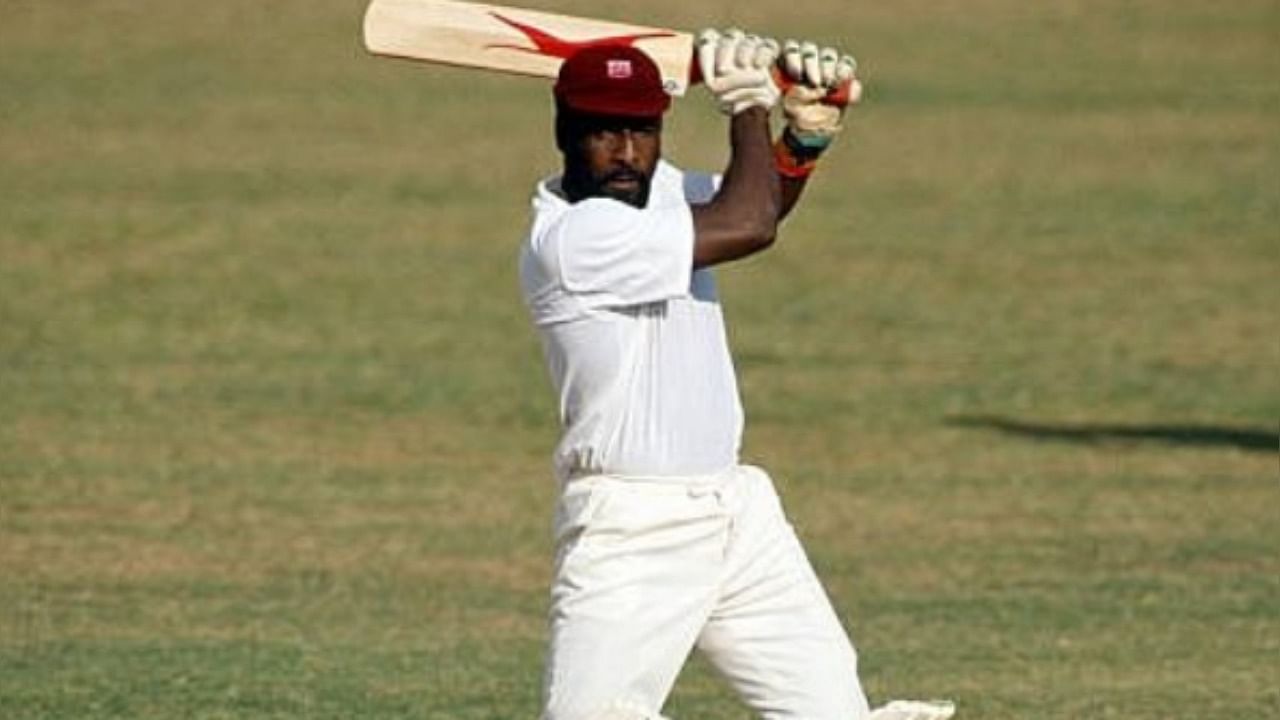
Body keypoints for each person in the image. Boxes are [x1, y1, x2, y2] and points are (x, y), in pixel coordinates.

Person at [518, 29, 953, 720]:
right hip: (633, 529)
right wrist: (749, 104)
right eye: (604, 134)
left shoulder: (654, 193)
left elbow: (756, 200)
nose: (627, 153)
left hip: (737, 514)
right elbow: (748, 223)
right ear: (564, 130)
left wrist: (804, 136)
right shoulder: (574, 238)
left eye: (642, 131)